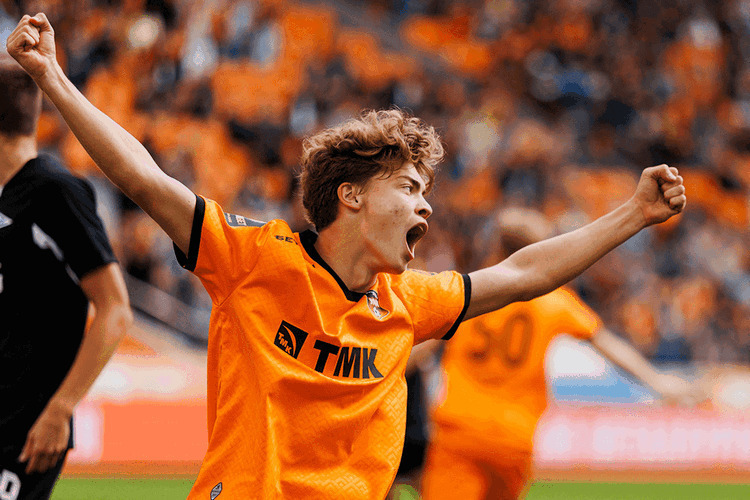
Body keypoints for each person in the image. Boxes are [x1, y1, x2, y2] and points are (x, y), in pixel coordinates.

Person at [6, 13, 687, 499]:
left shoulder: (410, 302)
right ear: (352, 196)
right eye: (410, 188)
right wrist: (52, 77)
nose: (427, 207)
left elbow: (524, 273)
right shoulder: (253, 258)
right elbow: (144, 179)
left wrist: (633, 214)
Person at [420, 208, 702, 500]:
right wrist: (656, 381)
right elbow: (607, 343)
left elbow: (422, 343)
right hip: (514, 434)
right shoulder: (554, 301)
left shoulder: (466, 292)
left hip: (461, 426)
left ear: (496, 246)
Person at [0, 51, 132, 500]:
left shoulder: (55, 191)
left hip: (25, 431)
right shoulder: (9, 197)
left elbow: (116, 309)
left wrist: (61, 409)